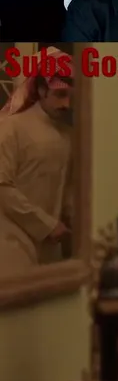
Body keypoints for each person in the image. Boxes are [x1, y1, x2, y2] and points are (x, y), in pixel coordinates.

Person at [0, 48, 75, 276]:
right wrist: (46, 225)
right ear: (42, 90)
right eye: (60, 95)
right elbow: (2, 187)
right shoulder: (10, 128)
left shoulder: (68, 136)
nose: (66, 104)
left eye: (71, 97)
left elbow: (68, 192)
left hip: (51, 248)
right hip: (10, 244)